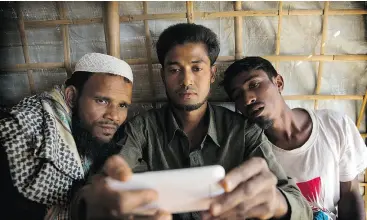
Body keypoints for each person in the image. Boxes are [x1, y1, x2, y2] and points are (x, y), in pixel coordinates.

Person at [71, 23, 312, 220]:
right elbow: (99, 186)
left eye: (196, 68)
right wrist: (97, 203)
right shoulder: (142, 129)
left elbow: (301, 206)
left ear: (212, 73)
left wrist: (278, 204)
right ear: (163, 74)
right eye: (175, 70)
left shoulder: (244, 132)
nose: (186, 81)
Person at [220, 56, 367, 220]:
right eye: (238, 95)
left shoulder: (334, 125)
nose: (247, 99)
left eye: (254, 84)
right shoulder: (251, 150)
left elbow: (350, 194)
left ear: (279, 83)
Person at [0, 53, 134, 220]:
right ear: (71, 97)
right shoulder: (21, 131)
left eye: (122, 105)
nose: (114, 116)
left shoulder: (103, 133)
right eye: (102, 101)